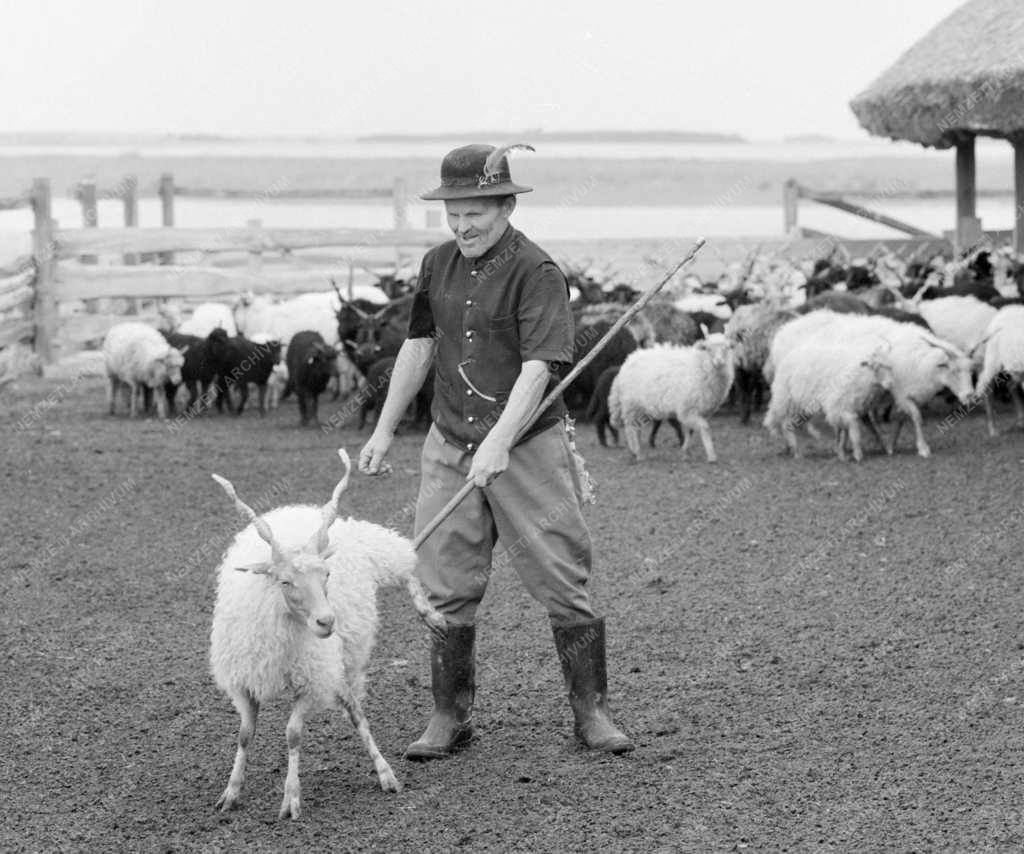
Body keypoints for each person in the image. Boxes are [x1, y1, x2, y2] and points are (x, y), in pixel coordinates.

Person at [358, 143, 633, 758]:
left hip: (527, 445)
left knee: (563, 574)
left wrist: (500, 443)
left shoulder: (537, 272)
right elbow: (418, 347)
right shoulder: (436, 265)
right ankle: (448, 716)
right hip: (449, 438)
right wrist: (381, 430)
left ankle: (591, 712)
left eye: (476, 211)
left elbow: (538, 369)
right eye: (453, 212)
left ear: (507, 204)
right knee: (442, 576)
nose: (463, 225)